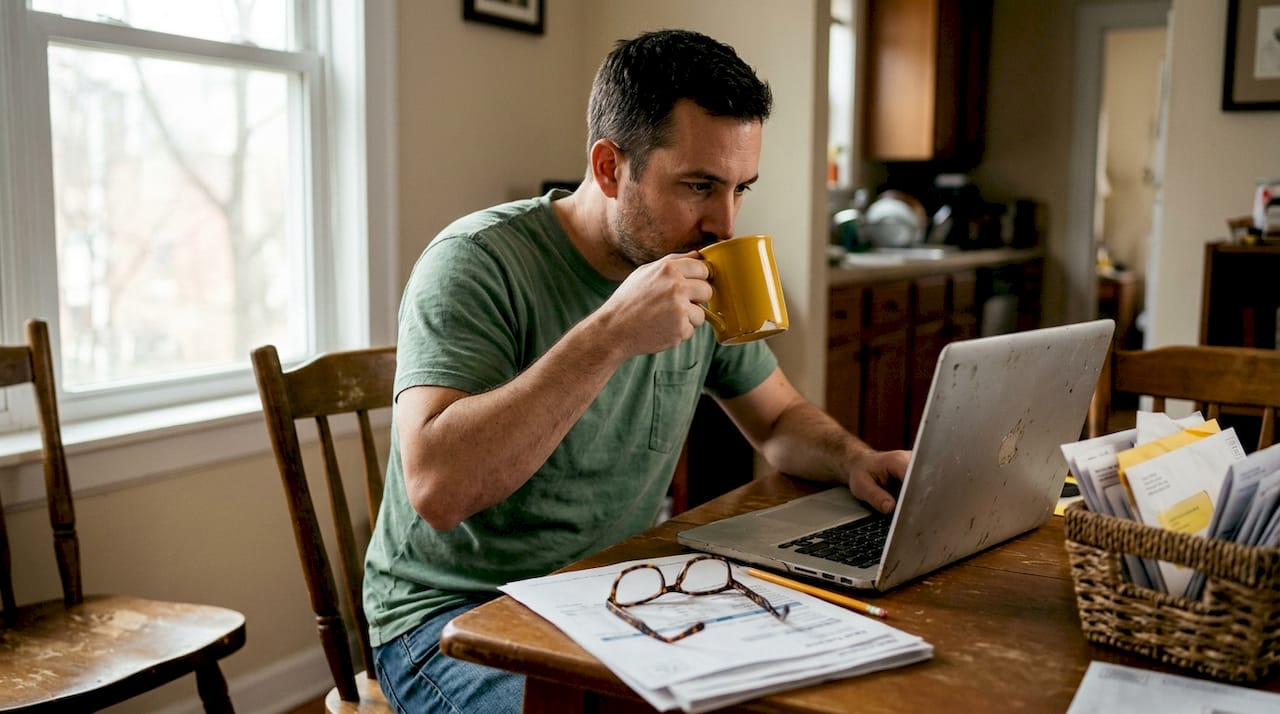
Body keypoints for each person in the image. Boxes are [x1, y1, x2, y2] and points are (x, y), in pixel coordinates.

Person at [363, 28, 911, 714]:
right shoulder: (477, 262)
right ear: (608, 167)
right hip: (452, 620)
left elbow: (776, 419)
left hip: (612, 597)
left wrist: (854, 457)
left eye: (741, 188)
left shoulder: (701, 266)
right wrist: (611, 334)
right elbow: (437, 490)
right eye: (699, 186)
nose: (726, 223)